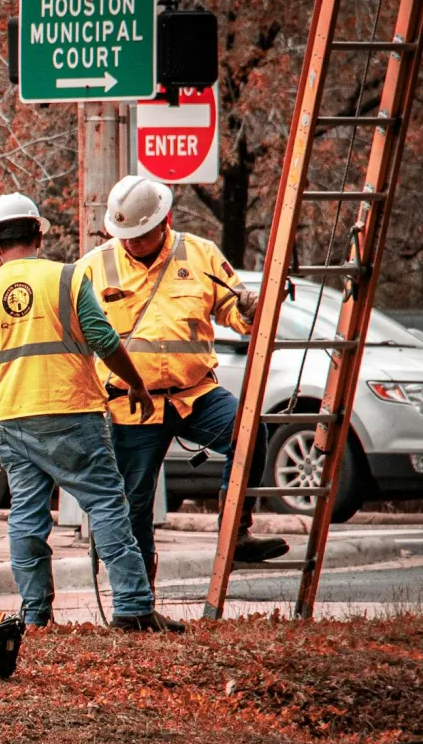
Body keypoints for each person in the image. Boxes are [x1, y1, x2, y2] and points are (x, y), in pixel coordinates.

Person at [0, 192, 184, 633]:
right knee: (106, 506)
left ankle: (34, 615)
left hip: (14, 422)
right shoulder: (68, 278)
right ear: (39, 234)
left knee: (26, 517)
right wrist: (137, 385)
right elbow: (104, 340)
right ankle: (132, 607)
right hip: (73, 414)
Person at [82, 175, 290, 591]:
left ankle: (237, 531)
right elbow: (78, 338)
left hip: (195, 393)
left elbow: (237, 313)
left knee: (249, 432)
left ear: (164, 222)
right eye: (124, 235)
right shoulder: (94, 266)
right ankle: (139, 592)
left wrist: (251, 307)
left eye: (140, 235)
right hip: (130, 404)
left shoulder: (200, 255)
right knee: (134, 503)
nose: (131, 243)